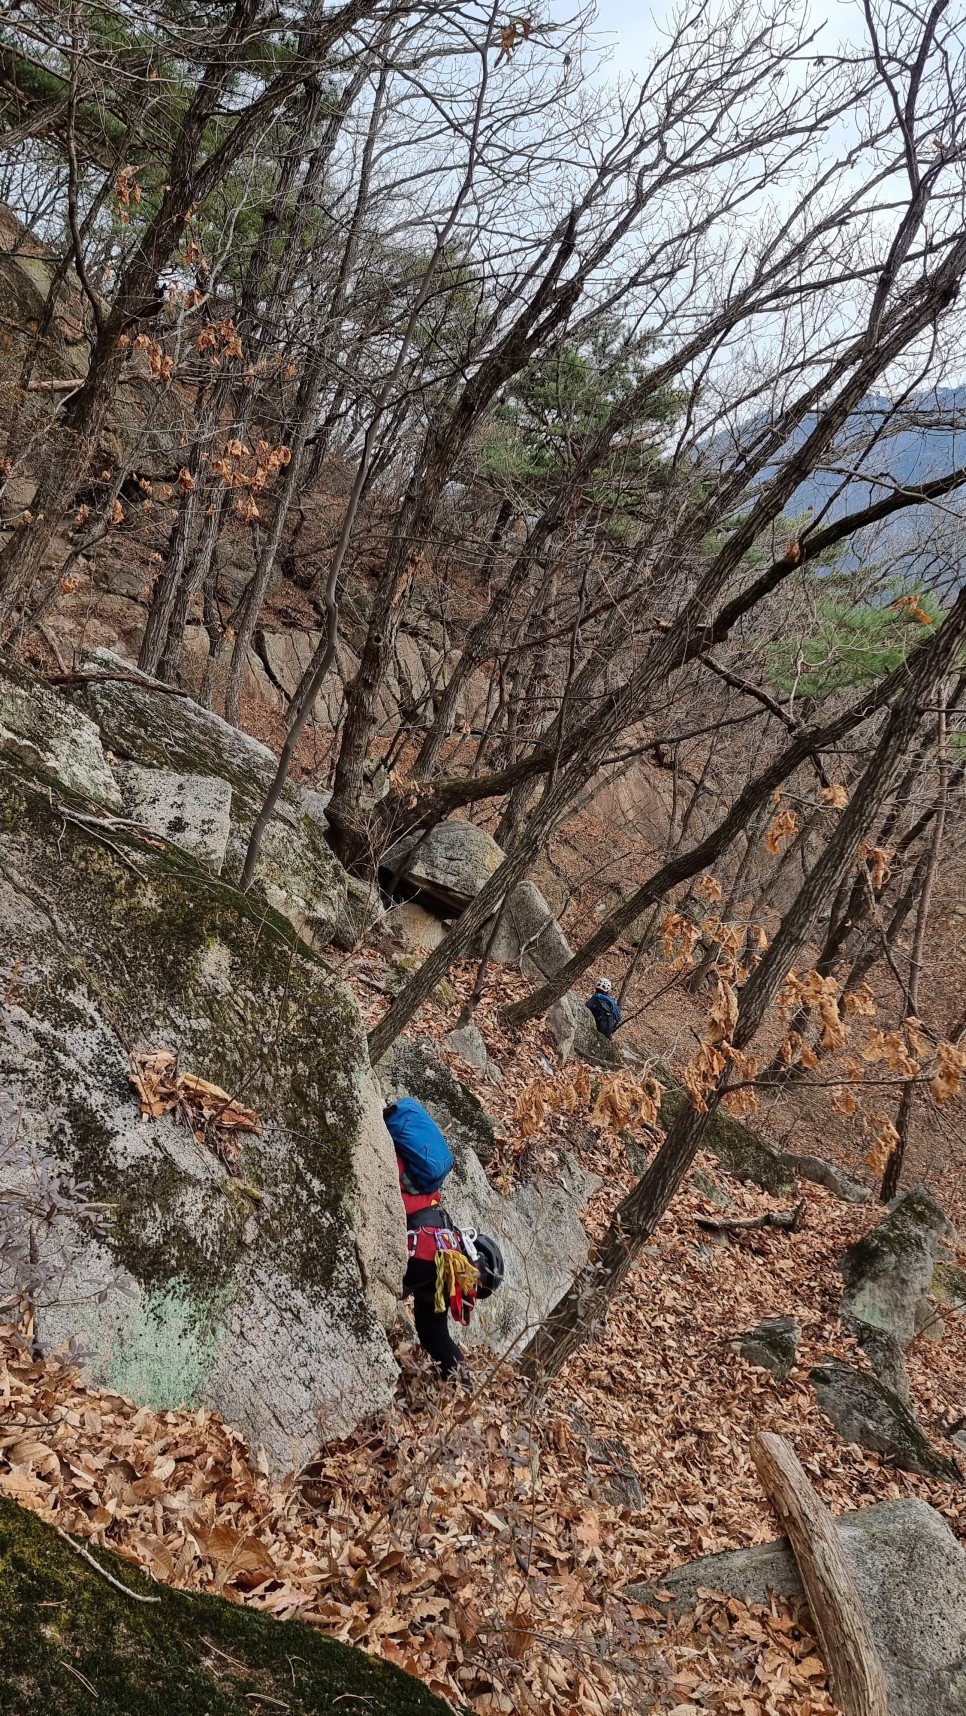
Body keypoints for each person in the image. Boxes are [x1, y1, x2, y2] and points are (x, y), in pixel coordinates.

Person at [383, 1098, 505, 1379]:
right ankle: (463, 1392)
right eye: (475, 1283)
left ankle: (463, 1391)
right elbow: (433, 1335)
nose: (469, 1287)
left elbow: (433, 1335)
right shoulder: (437, 1256)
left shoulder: (442, 1228)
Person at [585, 975, 622, 1039]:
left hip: (598, 1027)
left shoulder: (596, 997)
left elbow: (587, 1006)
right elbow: (619, 1017)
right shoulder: (610, 1000)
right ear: (607, 990)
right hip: (608, 1030)